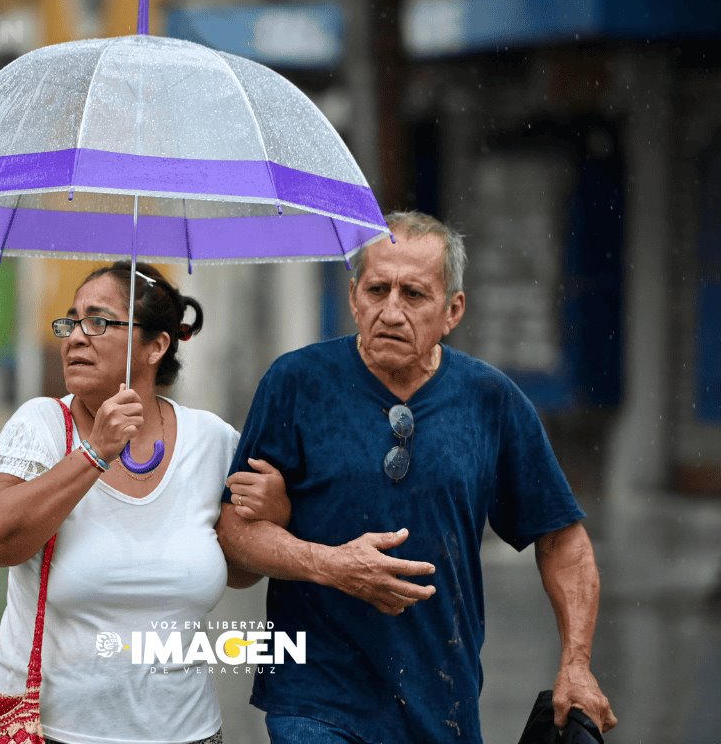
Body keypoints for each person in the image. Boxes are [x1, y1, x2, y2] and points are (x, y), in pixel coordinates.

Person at [217, 211, 618, 743]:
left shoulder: (490, 400)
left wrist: (576, 664)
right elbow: (234, 538)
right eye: (377, 289)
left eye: (413, 295)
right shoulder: (296, 383)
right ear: (354, 295)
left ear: (452, 310)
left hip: (442, 700)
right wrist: (329, 565)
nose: (390, 311)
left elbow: (563, 540)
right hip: (315, 696)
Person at [0, 261, 285, 744]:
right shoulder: (40, 426)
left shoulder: (214, 442)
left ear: (156, 345)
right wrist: (93, 454)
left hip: (189, 733)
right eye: (71, 321)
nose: (75, 337)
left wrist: (274, 512)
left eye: (98, 321)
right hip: (51, 731)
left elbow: (240, 572)